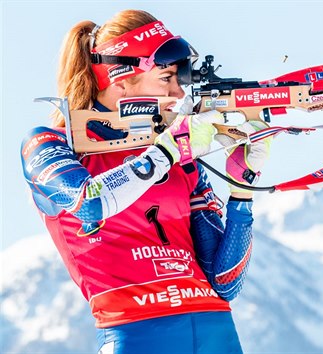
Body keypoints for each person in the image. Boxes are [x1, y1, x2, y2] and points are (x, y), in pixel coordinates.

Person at [20, 9, 270, 354]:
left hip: (217, 332)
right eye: (166, 77)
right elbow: (90, 202)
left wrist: (242, 190)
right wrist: (167, 152)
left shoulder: (176, 155)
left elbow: (225, 282)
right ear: (120, 77)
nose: (178, 92)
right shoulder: (52, 143)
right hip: (135, 333)